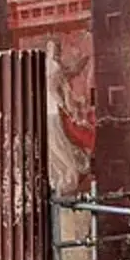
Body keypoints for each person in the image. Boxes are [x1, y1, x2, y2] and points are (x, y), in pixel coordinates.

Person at [45, 39, 92, 194]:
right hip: (53, 112)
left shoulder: (49, 65)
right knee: (59, 146)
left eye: (57, 49)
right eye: (55, 49)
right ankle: (65, 179)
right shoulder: (54, 66)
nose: (57, 53)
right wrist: (64, 106)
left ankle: (61, 180)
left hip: (50, 111)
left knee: (57, 147)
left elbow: (69, 74)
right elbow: (53, 90)